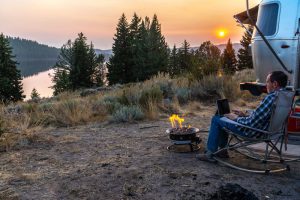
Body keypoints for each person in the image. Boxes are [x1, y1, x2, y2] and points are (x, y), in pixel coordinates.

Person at [197, 71, 288, 162]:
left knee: (217, 119)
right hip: (270, 131)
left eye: (267, 81)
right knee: (224, 119)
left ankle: (210, 153)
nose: (265, 84)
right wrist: (245, 114)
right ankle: (222, 151)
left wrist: (235, 118)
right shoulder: (284, 97)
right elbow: (264, 116)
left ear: (275, 84)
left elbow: (250, 123)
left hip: (252, 132)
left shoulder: (271, 97)